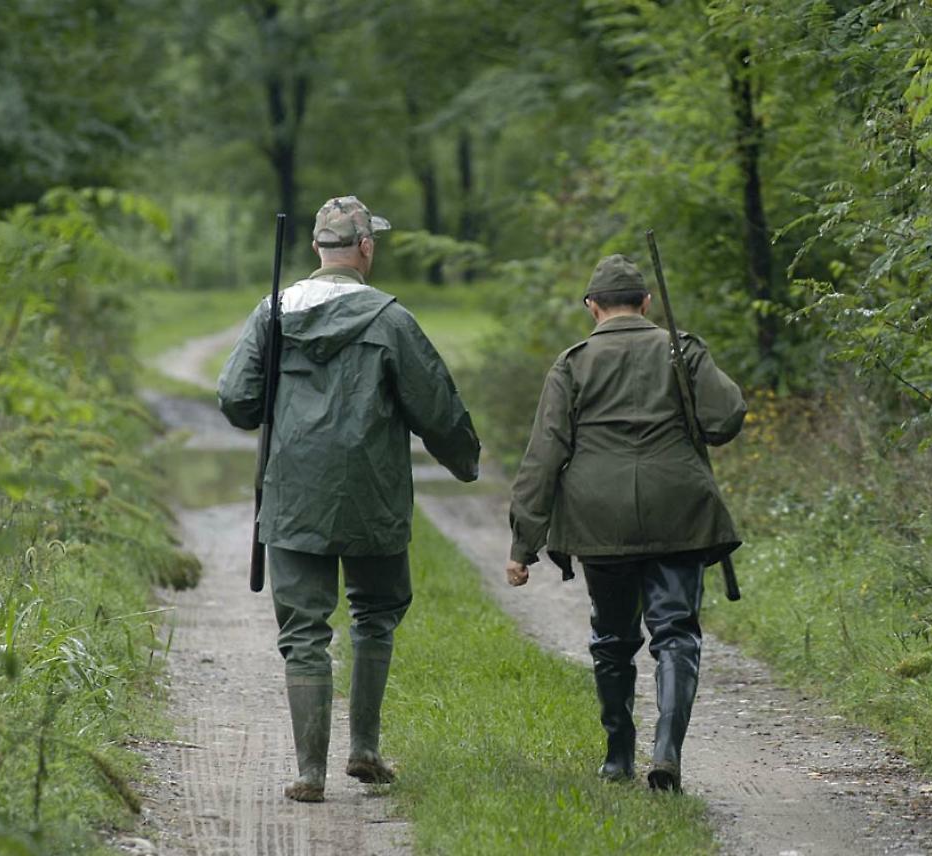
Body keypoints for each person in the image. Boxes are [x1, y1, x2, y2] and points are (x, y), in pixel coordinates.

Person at [218, 196, 480, 802]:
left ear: (317, 248)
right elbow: (436, 407)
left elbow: (236, 398)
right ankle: (364, 748)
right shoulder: (390, 318)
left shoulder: (273, 312)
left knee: (304, 629)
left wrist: (275, 412)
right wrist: (465, 462)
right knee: (375, 612)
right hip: (372, 496)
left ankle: (310, 773)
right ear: (365, 247)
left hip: (294, 495)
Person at [505, 254, 745, 792]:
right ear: (646, 302)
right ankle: (667, 751)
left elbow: (544, 456)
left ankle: (618, 757)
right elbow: (725, 418)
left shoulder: (572, 363)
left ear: (593, 308)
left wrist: (523, 544)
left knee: (612, 638)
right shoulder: (681, 350)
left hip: (598, 519)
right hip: (679, 509)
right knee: (677, 632)